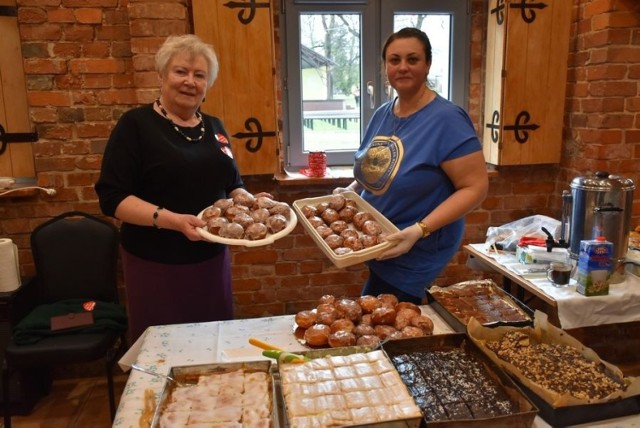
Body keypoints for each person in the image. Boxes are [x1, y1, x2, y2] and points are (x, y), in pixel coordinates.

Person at [96, 34, 266, 341]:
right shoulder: (135, 125)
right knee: (164, 349)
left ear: (207, 85)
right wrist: (174, 221)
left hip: (211, 261)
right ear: (161, 75)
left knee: (214, 343)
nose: (190, 81)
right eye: (181, 71)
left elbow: (232, 184)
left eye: (199, 75)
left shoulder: (215, 127)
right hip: (156, 264)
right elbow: (113, 198)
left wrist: (252, 202)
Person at [334, 27, 489, 304]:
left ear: (427, 64)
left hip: (417, 247)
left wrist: (419, 230)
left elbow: (475, 188)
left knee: (387, 323)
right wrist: (350, 190)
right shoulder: (384, 112)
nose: (402, 67)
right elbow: (376, 166)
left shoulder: (447, 119)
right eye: (395, 60)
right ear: (385, 67)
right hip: (382, 243)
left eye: (412, 59)